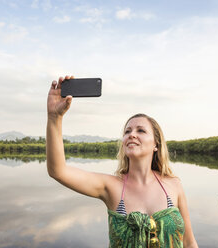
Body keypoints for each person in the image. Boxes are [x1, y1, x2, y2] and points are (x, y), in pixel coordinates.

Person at [46, 75, 199, 248]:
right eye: (127, 131)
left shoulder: (174, 185)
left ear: (156, 144)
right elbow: (58, 171)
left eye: (141, 130)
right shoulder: (111, 186)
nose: (131, 134)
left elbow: (189, 241)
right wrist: (54, 118)